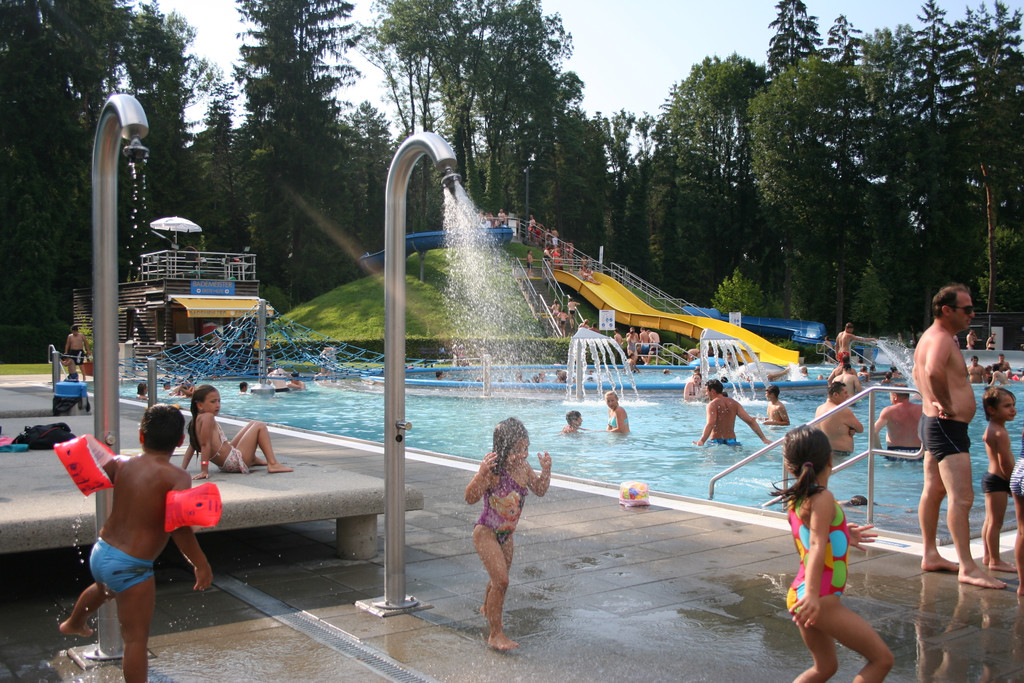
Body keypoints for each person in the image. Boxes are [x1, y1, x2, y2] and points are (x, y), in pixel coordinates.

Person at [58, 404, 213, 682]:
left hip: (102, 552)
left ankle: (74, 621)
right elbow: (179, 528)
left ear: (141, 436)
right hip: (131, 566)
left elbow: (99, 462)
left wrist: (87, 448)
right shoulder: (177, 477)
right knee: (135, 639)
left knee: (103, 589)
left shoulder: (122, 464)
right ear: (180, 441)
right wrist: (200, 564)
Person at [773, 426, 894, 682]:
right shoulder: (823, 497)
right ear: (830, 459)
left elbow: (811, 538)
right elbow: (816, 545)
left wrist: (842, 534)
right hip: (819, 597)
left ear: (789, 465)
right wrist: (813, 596)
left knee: (824, 668)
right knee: (882, 659)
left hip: (800, 594)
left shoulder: (797, 499)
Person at [913, 284, 1004, 588]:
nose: (972, 314)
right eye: (967, 309)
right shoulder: (940, 338)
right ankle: (967, 566)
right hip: (947, 427)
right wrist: (947, 404)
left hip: (933, 423)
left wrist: (932, 401)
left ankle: (930, 554)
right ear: (947, 310)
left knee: (934, 490)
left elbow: (919, 373)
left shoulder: (930, 337)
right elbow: (932, 372)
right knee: (962, 497)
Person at [465, 417, 551, 650]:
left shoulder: (524, 468)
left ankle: (487, 608)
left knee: (498, 579)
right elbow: (470, 497)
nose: (522, 455)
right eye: (516, 450)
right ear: (502, 449)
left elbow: (540, 490)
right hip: (486, 532)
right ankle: (495, 634)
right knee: (501, 580)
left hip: (506, 536)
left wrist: (546, 471)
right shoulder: (494, 471)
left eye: (525, 448)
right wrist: (481, 474)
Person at [181, 385, 293, 477]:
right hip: (233, 462)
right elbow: (205, 444)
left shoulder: (196, 420)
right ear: (200, 405)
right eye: (213, 402)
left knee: (253, 423)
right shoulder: (208, 417)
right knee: (260, 425)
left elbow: (192, 446)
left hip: (228, 460)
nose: (218, 405)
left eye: (219, 401)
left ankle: (252, 459)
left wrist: (182, 469)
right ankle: (273, 464)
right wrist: (204, 470)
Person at [980, 387, 1017, 573]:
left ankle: (988, 556)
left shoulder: (993, 429)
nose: (1013, 410)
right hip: (999, 480)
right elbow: (1005, 462)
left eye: (1013, 405)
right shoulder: (1000, 433)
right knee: (996, 523)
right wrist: (1012, 483)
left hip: (992, 478)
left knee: (990, 521)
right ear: (992, 410)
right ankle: (995, 560)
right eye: (1007, 406)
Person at [695, 379, 770, 446]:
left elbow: (710, 424)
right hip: (732, 441)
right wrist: (764, 439)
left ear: (712, 391)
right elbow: (750, 421)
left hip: (716, 442)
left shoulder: (712, 404)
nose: (706, 394)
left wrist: (702, 441)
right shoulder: (734, 403)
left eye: (707, 391)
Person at [814, 382, 863, 458]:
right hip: (839, 454)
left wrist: (851, 429)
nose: (848, 395)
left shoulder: (819, 409)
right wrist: (852, 428)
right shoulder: (842, 410)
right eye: (845, 393)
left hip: (823, 453)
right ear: (836, 395)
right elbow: (860, 429)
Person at [873, 392, 923, 460]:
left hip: (895, 453)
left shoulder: (888, 411)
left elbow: (873, 431)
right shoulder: (921, 409)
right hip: (918, 453)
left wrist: (879, 450)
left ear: (895, 396)